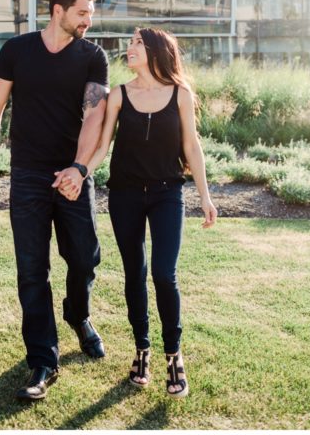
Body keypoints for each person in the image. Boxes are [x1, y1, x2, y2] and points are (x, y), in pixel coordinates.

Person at [0, 0, 110, 402]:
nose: (89, 20)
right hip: (29, 175)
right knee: (32, 270)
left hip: (71, 175)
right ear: (58, 11)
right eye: (83, 13)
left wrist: (79, 168)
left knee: (85, 257)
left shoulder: (94, 56)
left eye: (91, 13)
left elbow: (95, 117)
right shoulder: (17, 51)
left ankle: (78, 314)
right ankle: (43, 362)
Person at [85, 27, 218, 396]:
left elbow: (192, 148)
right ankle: (142, 348)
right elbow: (102, 146)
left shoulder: (180, 94)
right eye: (129, 43)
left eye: (138, 43)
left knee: (163, 274)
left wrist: (205, 197)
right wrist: (82, 172)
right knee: (135, 272)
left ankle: (173, 355)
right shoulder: (119, 95)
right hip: (124, 194)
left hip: (166, 194)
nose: (130, 48)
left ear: (157, 51)